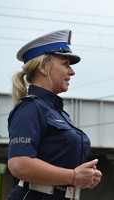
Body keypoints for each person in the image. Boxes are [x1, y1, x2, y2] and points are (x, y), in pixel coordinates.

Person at [7, 29, 102, 200]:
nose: (71, 72)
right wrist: (72, 176)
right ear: (43, 67)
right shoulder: (30, 108)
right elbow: (19, 164)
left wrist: (84, 177)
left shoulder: (56, 111)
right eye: (65, 64)